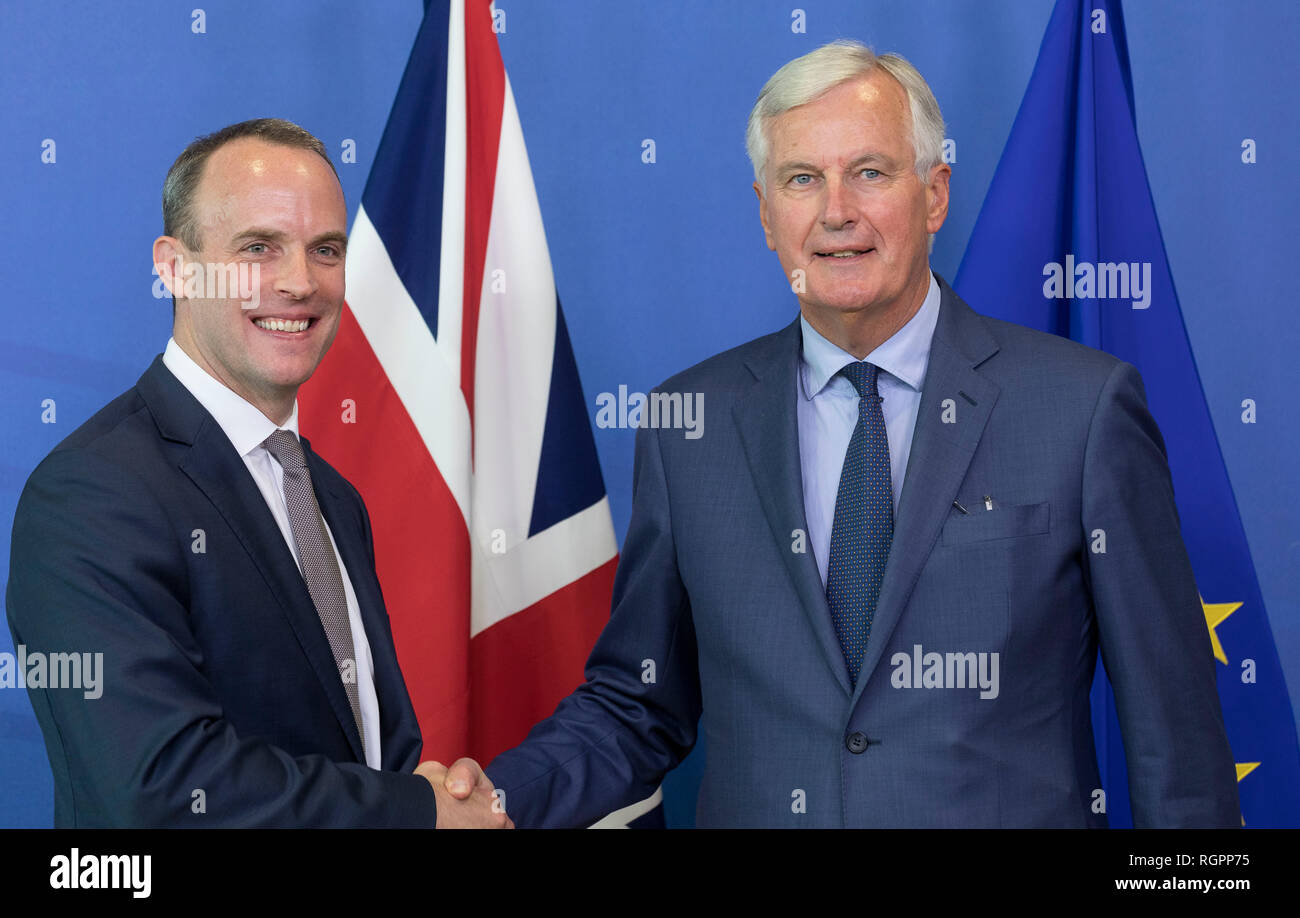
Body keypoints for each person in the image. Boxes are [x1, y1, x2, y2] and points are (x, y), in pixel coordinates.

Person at [439, 40, 1240, 827]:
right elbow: (639, 703)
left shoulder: (1082, 409)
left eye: (869, 171)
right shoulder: (689, 425)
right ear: (764, 213)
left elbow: (1176, 743)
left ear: (934, 194)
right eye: (802, 179)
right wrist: (496, 801)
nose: (836, 213)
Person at [6, 118, 508, 828]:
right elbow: (157, 791)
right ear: (175, 266)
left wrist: (425, 792)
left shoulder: (331, 496)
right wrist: (414, 812)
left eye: (325, 250)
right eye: (258, 248)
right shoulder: (93, 493)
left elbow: (360, 749)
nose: (299, 283)